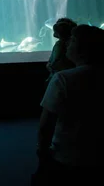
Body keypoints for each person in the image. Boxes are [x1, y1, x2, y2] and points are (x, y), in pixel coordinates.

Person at [34, 25, 104, 185]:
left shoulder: (63, 79)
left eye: (72, 41)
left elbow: (46, 125)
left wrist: (42, 152)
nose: (66, 44)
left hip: (67, 157)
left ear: (83, 48)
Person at [45, 18, 77, 83]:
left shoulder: (59, 44)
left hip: (58, 76)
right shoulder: (72, 44)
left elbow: (56, 59)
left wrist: (51, 66)